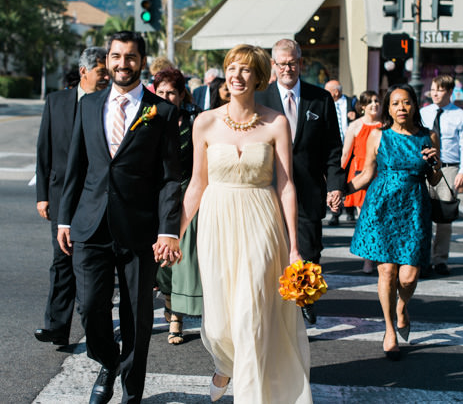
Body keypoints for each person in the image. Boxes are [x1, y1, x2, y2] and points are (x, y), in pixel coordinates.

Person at [174, 44, 311, 403]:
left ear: (259, 77)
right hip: (216, 225)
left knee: (253, 314)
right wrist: (176, 234)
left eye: (246, 70)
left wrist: (294, 247)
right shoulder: (204, 122)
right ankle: (225, 363)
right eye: (232, 68)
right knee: (219, 322)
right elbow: (196, 185)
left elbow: (285, 186)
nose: (237, 75)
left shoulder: (276, 123)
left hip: (262, 223)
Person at [57, 31, 182, 404]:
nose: (122, 63)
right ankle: (108, 361)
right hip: (90, 224)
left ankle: (131, 393)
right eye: (116, 56)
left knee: (137, 318)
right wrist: (65, 219)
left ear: (142, 62)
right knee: (91, 307)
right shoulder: (89, 104)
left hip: (139, 229)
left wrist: (167, 230)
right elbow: (75, 166)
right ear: (107, 60)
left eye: (130, 57)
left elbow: (170, 177)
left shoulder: (162, 112)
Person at [349, 84, 442, 361]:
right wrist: (340, 191)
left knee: (409, 276)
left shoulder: (428, 136)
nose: (401, 108)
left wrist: (436, 164)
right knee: (387, 272)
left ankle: (402, 307)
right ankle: (389, 330)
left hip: (414, 208)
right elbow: (366, 175)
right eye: (395, 103)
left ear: (414, 105)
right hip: (381, 208)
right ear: (389, 109)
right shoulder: (378, 135)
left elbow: (435, 180)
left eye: (406, 102)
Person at [256, 38, 344, 324]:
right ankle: (272, 309)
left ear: (300, 63)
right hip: (267, 190)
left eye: (292, 63)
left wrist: (335, 185)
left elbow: (333, 147)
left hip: (307, 190)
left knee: (308, 252)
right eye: (281, 64)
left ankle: (303, 300)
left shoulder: (320, 98)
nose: (287, 69)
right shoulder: (259, 99)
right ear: (273, 65)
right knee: (269, 253)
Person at [34, 46, 108, 347]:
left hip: (93, 195)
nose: (107, 77)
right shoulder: (56, 102)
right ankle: (56, 326)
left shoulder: (108, 104)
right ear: (84, 72)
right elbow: (44, 150)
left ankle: (92, 322)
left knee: (88, 261)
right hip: (59, 194)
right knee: (60, 260)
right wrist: (42, 195)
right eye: (102, 72)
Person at [153, 67, 202, 345]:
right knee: (160, 262)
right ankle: (170, 304)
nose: (166, 96)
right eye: (160, 92)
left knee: (179, 257)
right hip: (155, 198)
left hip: (185, 196)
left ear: (181, 95)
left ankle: (176, 318)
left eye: (171, 92)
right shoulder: (147, 121)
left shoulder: (193, 123)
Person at [420, 74, 463, 277]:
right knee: (422, 215)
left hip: (449, 169)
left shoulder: (460, 116)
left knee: (444, 217)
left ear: (450, 92)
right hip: (424, 167)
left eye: (440, 89)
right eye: (433, 89)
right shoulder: (423, 113)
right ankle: (422, 259)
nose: (435, 93)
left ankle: (440, 259)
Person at [341, 90, 381, 273]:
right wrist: (338, 182)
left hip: (380, 175)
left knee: (378, 218)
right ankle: (368, 260)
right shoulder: (355, 126)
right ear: (362, 106)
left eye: (377, 101)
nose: (374, 104)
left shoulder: (386, 126)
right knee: (366, 219)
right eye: (370, 101)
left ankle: (375, 256)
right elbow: (345, 154)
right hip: (359, 174)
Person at [325, 79, 358, 226]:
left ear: (336, 92)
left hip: (351, 148)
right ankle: (335, 214)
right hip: (333, 148)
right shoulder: (325, 103)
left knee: (350, 178)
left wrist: (355, 115)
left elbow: (364, 114)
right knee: (335, 179)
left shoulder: (352, 102)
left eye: (328, 90)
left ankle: (350, 212)